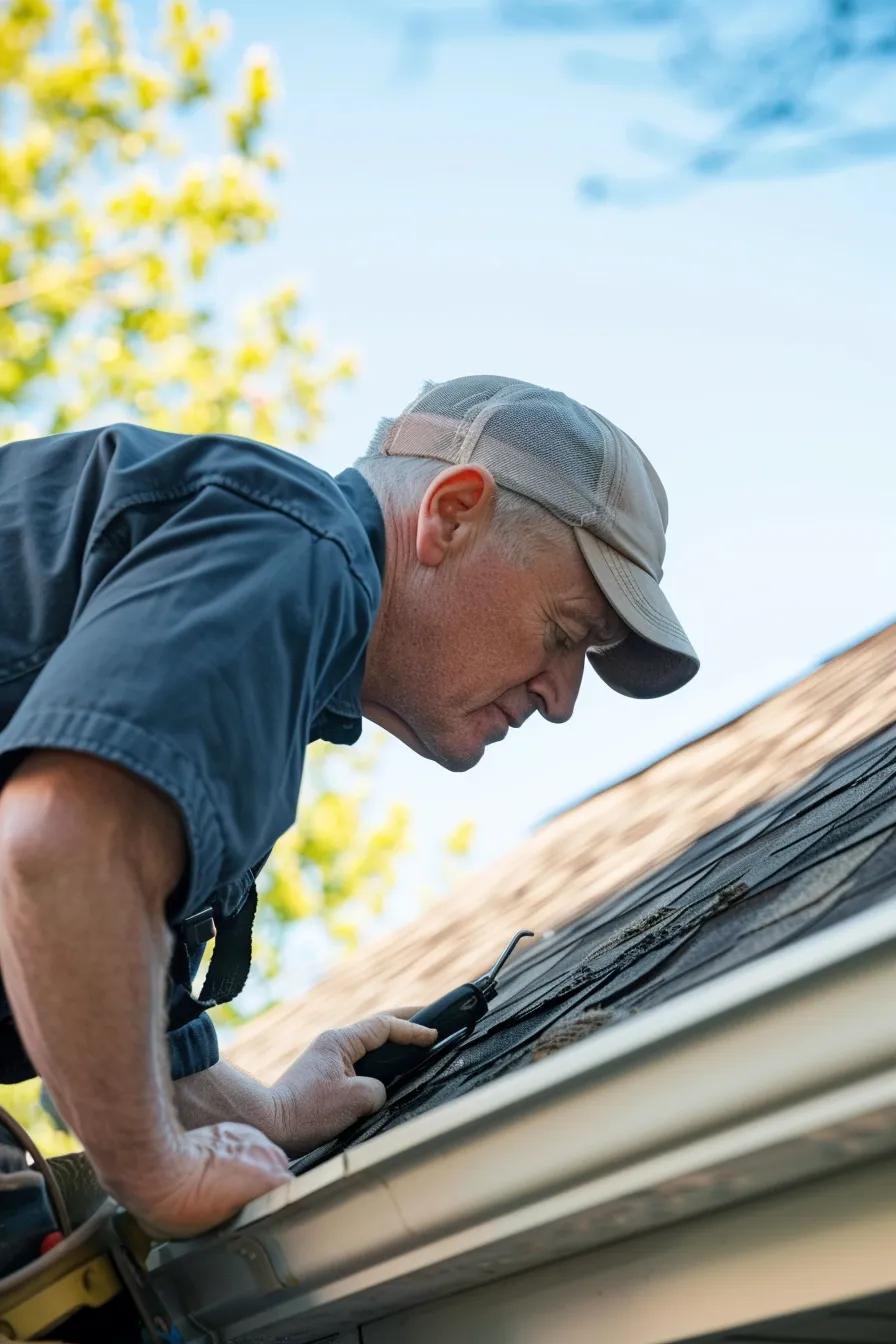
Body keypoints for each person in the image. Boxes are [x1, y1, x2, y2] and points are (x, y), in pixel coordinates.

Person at [0, 374, 698, 1247]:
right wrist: (156, 1173)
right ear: (450, 515)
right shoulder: (297, 539)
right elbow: (58, 851)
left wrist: (271, 1111)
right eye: (565, 634)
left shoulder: (234, 628)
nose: (561, 700)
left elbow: (82, 947)